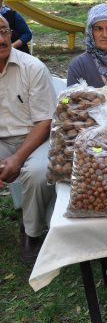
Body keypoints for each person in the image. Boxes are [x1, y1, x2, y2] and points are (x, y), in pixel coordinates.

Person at [0, 15, 56, 263]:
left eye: (3, 31)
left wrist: (17, 158)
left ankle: (31, 232)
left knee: (38, 171)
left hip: (35, 139)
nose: (1, 39)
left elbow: (45, 122)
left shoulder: (33, 67)